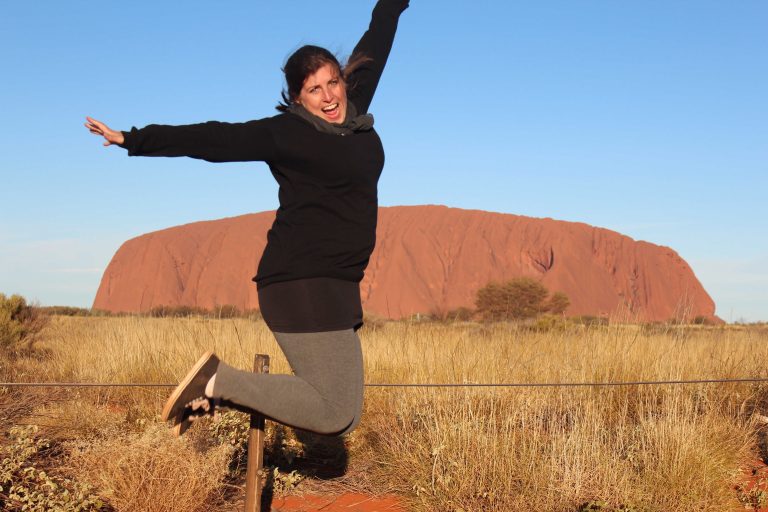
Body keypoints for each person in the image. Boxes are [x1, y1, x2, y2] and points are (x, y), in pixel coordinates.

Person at [85, 0, 410, 436]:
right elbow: (213, 138)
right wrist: (133, 139)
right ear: (298, 97)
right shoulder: (286, 133)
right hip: (301, 281)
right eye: (315, 90)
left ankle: (215, 389)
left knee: (344, 416)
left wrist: (392, 3)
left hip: (336, 281)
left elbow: (378, 39)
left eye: (333, 82)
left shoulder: (352, 112)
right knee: (334, 413)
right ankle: (219, 382)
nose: (329, 95)